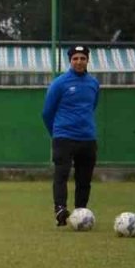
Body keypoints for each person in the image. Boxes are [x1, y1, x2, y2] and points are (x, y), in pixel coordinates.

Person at [42, 45, 101, 226]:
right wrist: (57, 134)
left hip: (88, 138)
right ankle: (60, 209)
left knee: (84, 179)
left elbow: (92, 106)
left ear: (87, 60)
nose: (79, 62)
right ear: (70, 60)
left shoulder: (93, 84)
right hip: (64, 137)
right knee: (61, 175)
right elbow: (47, 112)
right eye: (75, 58)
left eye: (82, 58)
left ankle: (80, 212)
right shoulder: (59, 83)